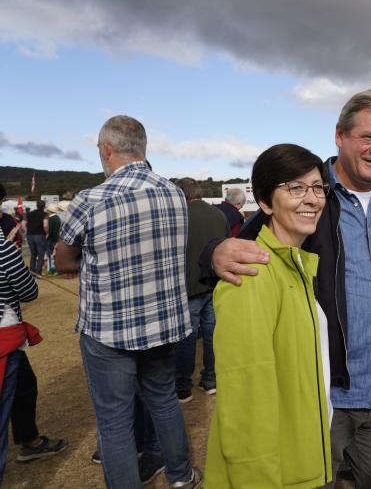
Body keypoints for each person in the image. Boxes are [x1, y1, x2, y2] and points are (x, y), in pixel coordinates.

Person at [202, 89, 371, 488]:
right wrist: (214, 252)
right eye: (368, 137)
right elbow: (249, 244)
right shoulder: (310, 193)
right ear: (340, 135)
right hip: (324, 395)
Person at [55, 115, 201, 488]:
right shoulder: (173, 192)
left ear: (106, 149)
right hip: (164, 321)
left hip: (109, 329)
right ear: (143, 147)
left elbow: (63, 259)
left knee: (115, 420)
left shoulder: (91, 198)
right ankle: (181, 476)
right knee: (163, 400)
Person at [206, 144, 332, 488]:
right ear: (263, 202)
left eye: (318, 187)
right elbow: (246, 401)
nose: (312, 198)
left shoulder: (294, 265)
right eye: (296, 188)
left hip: (303, 464)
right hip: (277, 476)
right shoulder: (251, 274)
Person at [173, 178, 230, 403]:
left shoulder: (180, 215)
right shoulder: (219, 214)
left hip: (189, 286)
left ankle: (183, 386)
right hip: (215, 284)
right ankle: (211, 380)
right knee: (212, 334)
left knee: (187, 338)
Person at [0, 221, 39, 483]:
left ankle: (30, 440)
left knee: (26, 384)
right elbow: (28, 291)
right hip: (4, 338)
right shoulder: (3, 248)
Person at [25, 201, 46, 275]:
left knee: (33, 254)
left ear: (36, 206)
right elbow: (45, 225)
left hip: (30, 235)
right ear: (44, 206)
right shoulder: (45, 214)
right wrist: (47, 233)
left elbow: (24, 224)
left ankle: (32, 271)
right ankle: (38, 272)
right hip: (40, 235)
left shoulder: (29, 213)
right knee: (40, 255)